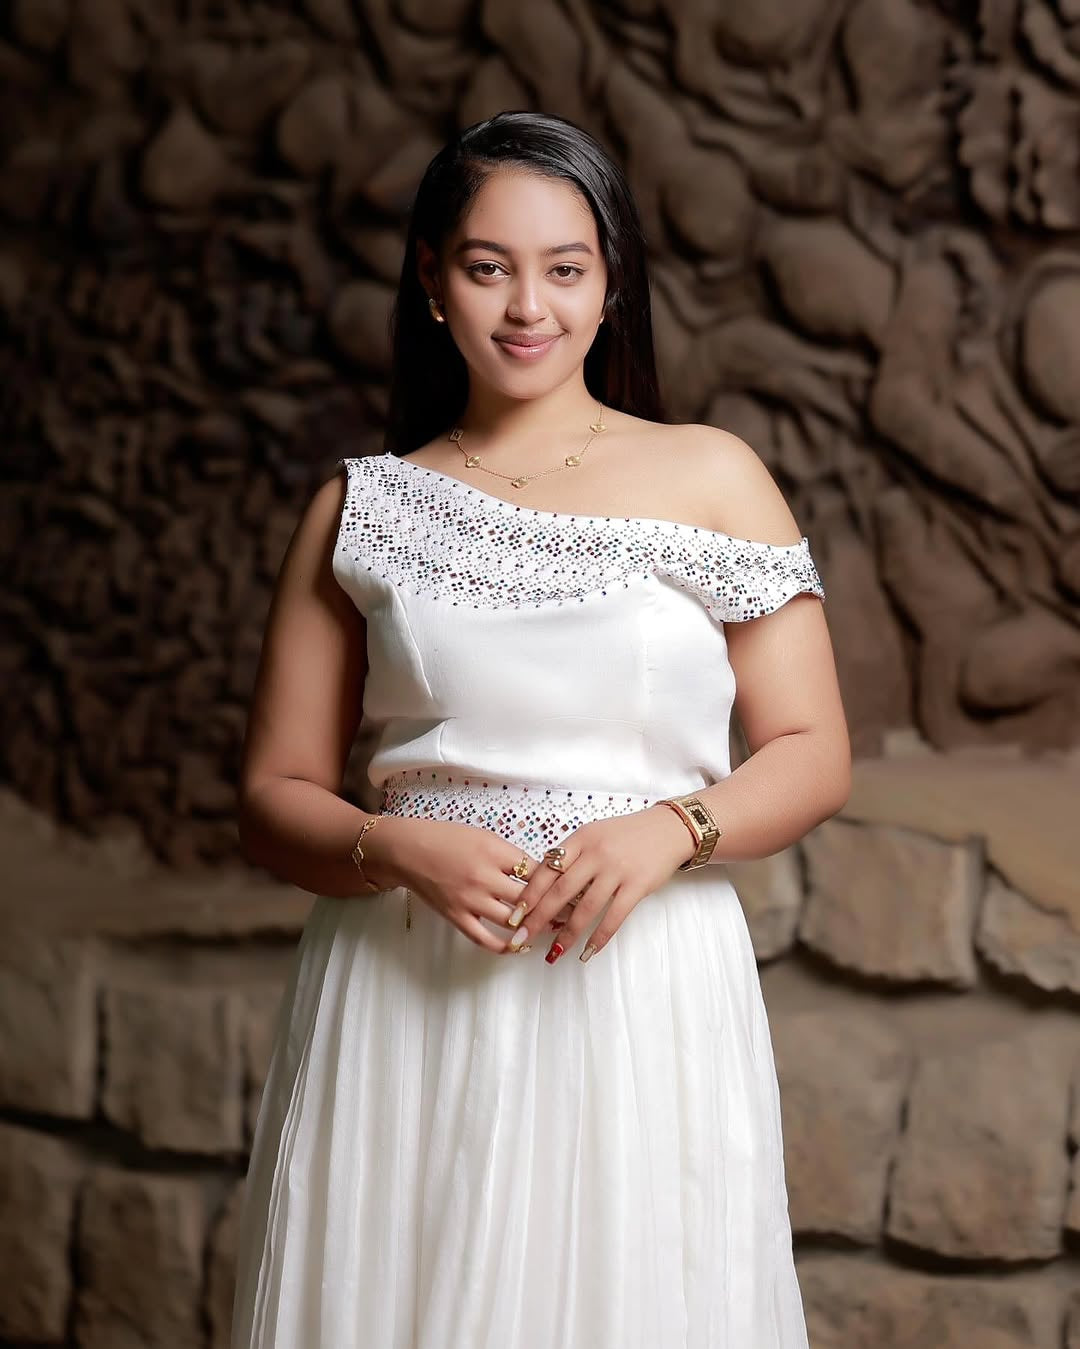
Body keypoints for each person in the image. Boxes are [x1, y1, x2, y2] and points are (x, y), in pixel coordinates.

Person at [231, 109, 850, 1349]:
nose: (529, 304)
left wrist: (672, 829)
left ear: (611, 282)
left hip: (642, 981)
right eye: (487, 264)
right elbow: (274, 792)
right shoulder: (363, 506)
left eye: (566, 268)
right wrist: (393, 848)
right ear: (431, 279)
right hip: (407, 984)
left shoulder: (711, 473)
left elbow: (813, 750)